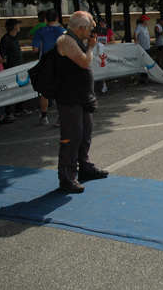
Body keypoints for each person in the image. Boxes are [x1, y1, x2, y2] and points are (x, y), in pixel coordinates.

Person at [55, 11, 109, 193]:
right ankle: (67, 178)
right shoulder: (66, 41)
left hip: (82, 97)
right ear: (81, 29)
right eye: (91, 28)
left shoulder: (77, 40)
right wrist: (91, 47)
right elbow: (85, 62)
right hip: (70, 99)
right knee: (72, 138)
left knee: (85, 135)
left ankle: (84, 167)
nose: (92, 31)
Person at [32, 8, 65, 125]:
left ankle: (44, 116)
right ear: (57, 18)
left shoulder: (40, 31)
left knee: (44, 90)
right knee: (61, 89)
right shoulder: (62, 31)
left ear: (46, 18)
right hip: (59, 61)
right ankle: (60, 118)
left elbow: (35, 49)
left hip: (45, 63)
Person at [0, 18, 31, 118]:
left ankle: (19, 108)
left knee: (20, 87)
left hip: (18, 66)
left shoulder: (15, 38)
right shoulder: (6, 39)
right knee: (10, 89)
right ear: (14, 26)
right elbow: (3, 54)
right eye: (18, 25)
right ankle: (8, 110)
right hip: (10, 67)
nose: (19, 26)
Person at [96, 19, 115, 92]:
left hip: (108, 52)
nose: (102, 26)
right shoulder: (97, 32)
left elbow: (113, 41)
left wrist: (106, 44)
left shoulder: (109, 31)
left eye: (103, 24)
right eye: (100, 24)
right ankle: (104, 85)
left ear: (106, 24)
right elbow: (94, 40)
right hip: (100, 53)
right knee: (102, 67)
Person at [134, 15, 151, 84]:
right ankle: (142, 77)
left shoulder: (145, 27)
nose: (147, 22)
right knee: (144, 63)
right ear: (144, 21)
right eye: (146, 20)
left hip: (147, 47)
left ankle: (146, 76)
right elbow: (135, 34)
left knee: (147, 63)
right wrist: (136, 39)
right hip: (143, 47)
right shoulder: (139, 27)